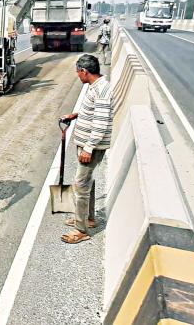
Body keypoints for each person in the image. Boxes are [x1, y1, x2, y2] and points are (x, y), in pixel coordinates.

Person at [60, 54, 114, 244]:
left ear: (84, 71)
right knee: (87, 184)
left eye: (78, 73)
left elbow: (101, 122)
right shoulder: (96, 87)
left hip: (91, 146)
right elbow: (94, 112)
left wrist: (89, 148)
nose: (78, 76)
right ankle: (88, 218)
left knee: (80, 186)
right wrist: (76, 115)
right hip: (86, 144)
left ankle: (81, 229)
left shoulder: (102, 90)